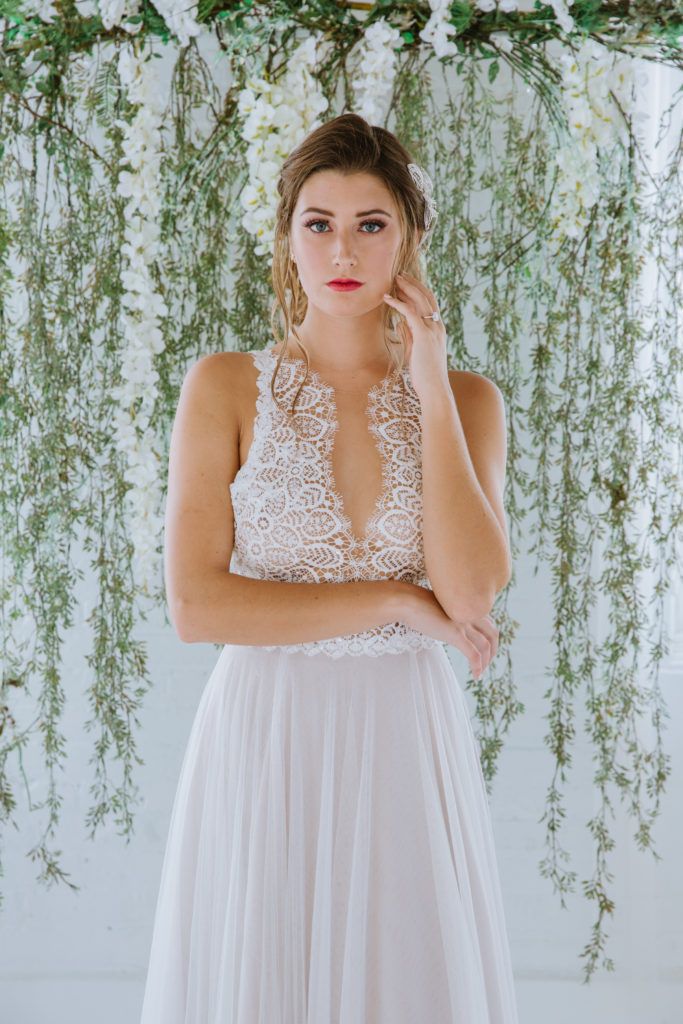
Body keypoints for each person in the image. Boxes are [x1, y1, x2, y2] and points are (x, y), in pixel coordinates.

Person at [140, 112, 519, 1022]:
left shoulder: (467, 400)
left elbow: (467, 593)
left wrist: (428, 386)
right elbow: (198, 606)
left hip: (403, 731)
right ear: (286, 237)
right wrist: (394, 597)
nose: (342, 248)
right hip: (266, 731)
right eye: (318, 223)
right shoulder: (224, 385)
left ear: (409, 237)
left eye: (370, 224)